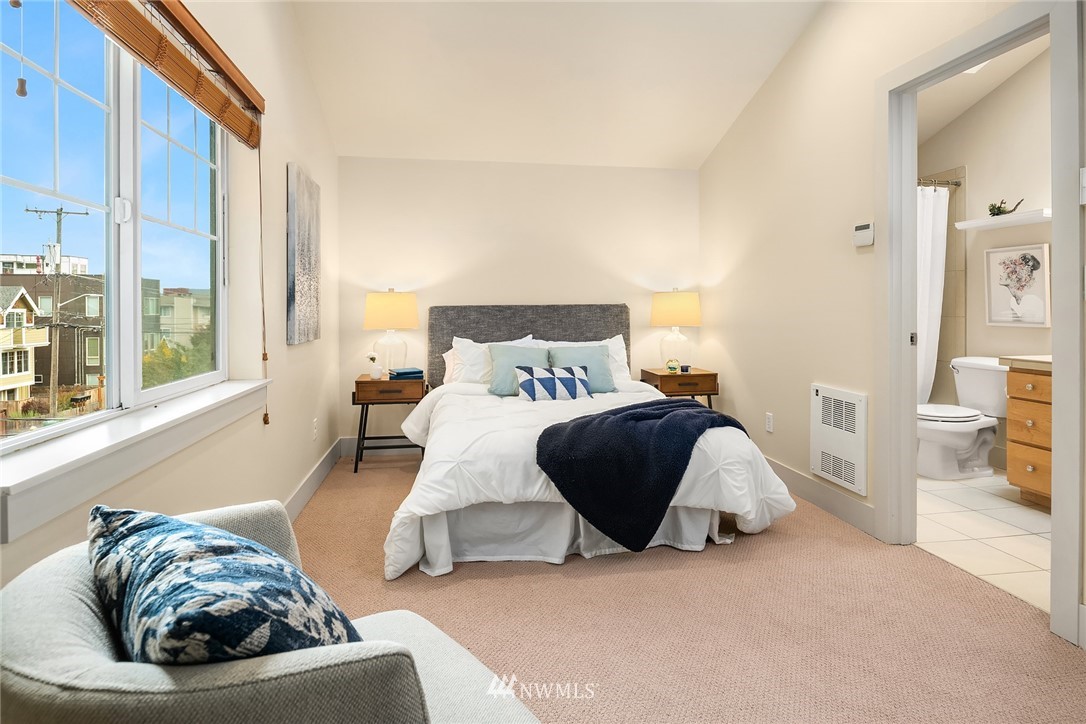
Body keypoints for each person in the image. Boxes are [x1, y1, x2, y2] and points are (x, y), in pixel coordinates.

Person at [997, 252, 1043, 322]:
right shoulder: (1013, 301)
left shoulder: (1030, 300)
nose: (1001, 274)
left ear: (1015, 275)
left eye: (1005, 271)